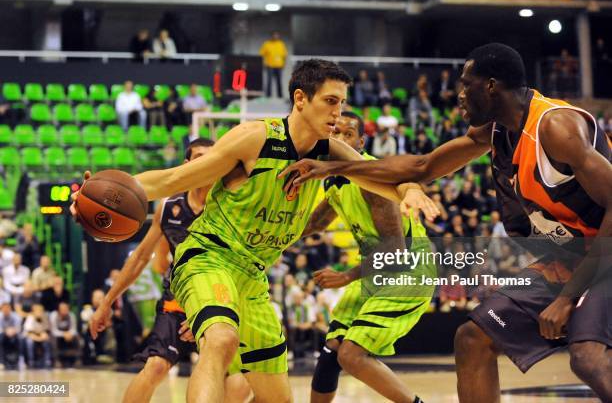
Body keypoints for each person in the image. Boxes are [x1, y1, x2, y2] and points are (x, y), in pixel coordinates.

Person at [72, 59, 435, 402]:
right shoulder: (254, 138)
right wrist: (104, 193)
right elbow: (170, 179)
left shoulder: (331, 153)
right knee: (221, 338)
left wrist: (412, 189)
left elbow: (385, 175)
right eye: (329, 101)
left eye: (341, 103)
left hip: (253, 277)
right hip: (209, 257)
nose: (337, 113)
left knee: (276, 395)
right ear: (300, 99)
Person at [281, 43, 612, 402]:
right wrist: (335, 166)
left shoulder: (555, 127)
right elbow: (424, 167)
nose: (457, 95)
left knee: (587, 358)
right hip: (568, 258)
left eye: (465, 84)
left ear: (490, 85)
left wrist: (566, 298)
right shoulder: (498, 132)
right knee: (473, 338)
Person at [89, 138, 250, 403]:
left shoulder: (231, 205)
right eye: (198, 157)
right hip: (177, 300)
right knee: (155, 366)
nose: (205, 163)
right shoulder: (169, 206)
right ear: (186, 165)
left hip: (222, 298)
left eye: (211, 158)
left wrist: (208, 310)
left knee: (236, 381)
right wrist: (106, 302)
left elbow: (246, 261)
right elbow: (142, 258)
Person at [303, 112, 434, 403]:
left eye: (346, 135)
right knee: (332, 349)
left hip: (408, 270)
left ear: (360, 142)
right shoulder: (335, 178)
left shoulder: (372, 179)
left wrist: (346, 276)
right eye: (334, 133)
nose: (337, 139)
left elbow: (395, 251)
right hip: (377, 269)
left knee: (351, 354)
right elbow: (316, 223)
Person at [259, 31, 288, 98]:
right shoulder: (267, 44)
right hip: (270, 65)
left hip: (279, 66)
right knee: (269, 81)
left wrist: (284, 64)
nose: (275, 36)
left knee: (279, 81)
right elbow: (261, 55)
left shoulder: (281, 44)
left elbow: (284, 55)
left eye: (277, 35)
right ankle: (268, 96)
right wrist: (263, 64)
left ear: (278, 36)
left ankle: (280, 96)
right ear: (271, 36)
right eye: (274, 35)